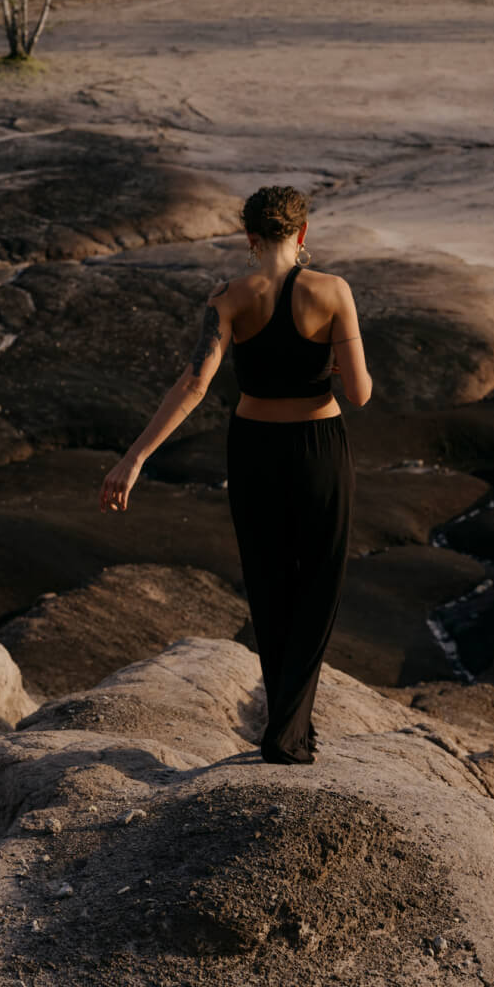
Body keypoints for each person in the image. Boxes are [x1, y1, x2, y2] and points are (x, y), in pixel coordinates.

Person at [100, 185, 372, 764]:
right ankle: (288, 733)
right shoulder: (333, 291)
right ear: (302, 235)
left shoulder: (225, 298)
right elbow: (360, 392)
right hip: (318, 447)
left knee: (270, 583)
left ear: (250, 239)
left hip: (252, 449)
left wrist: (136, 458)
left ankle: (289, 728)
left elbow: (195, 386)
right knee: (319, 582)